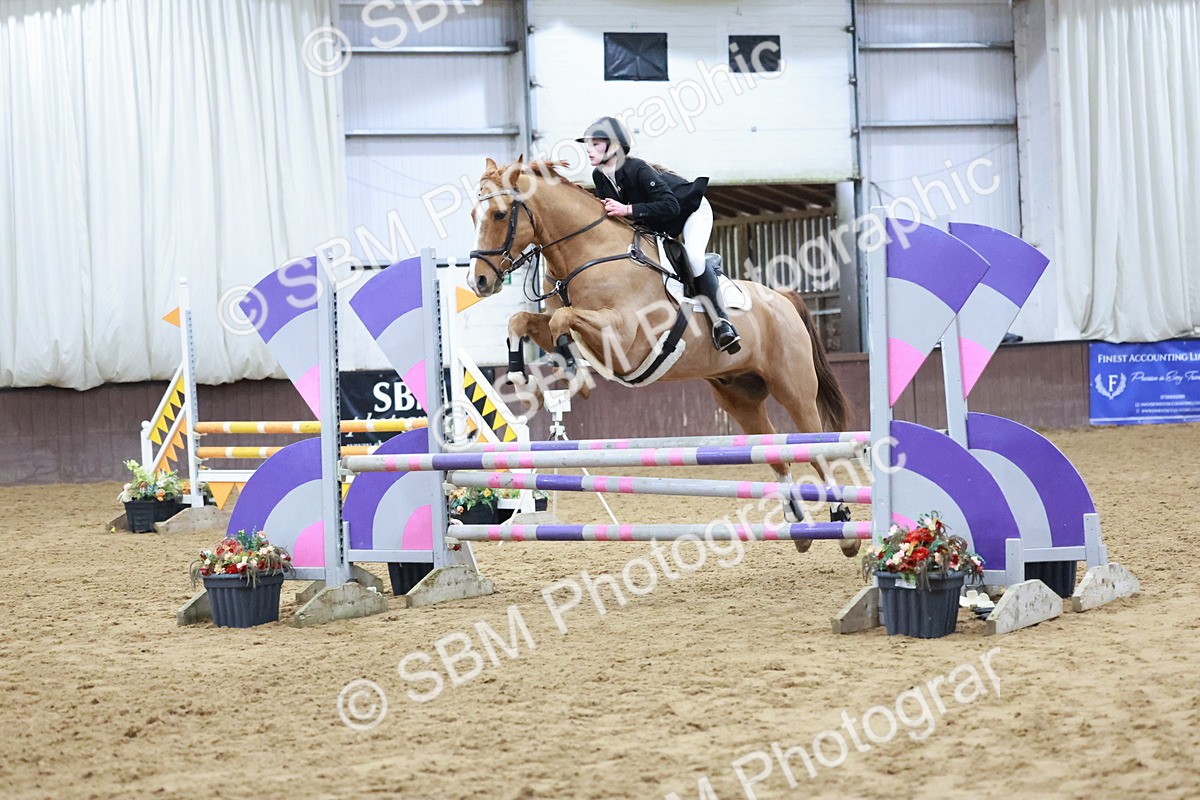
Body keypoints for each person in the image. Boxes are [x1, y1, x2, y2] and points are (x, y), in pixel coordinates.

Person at [576, 116, 740, 354]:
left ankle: (722, 323)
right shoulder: (599, 176)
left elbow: (671, 206)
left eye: (596, 144)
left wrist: (628, 209)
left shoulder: (636, 168)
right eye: (587, 145)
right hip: (658, 221)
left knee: (694, 258)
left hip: (690, 210)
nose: (589, 150)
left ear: (615, 146)